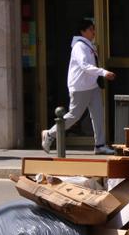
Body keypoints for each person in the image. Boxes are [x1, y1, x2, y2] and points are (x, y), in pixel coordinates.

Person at [41, 20, 116, 155]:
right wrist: (103, 72)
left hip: (92, 86)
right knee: (74, 116)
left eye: (94, 29)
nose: (94, 32)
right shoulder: (79, 46)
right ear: (83, 31)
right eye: (91, 29)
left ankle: (100, 145)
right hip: (80, 87)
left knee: (98, 115)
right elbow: (84, 65)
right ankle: (50, 134)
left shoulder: (88, 45)